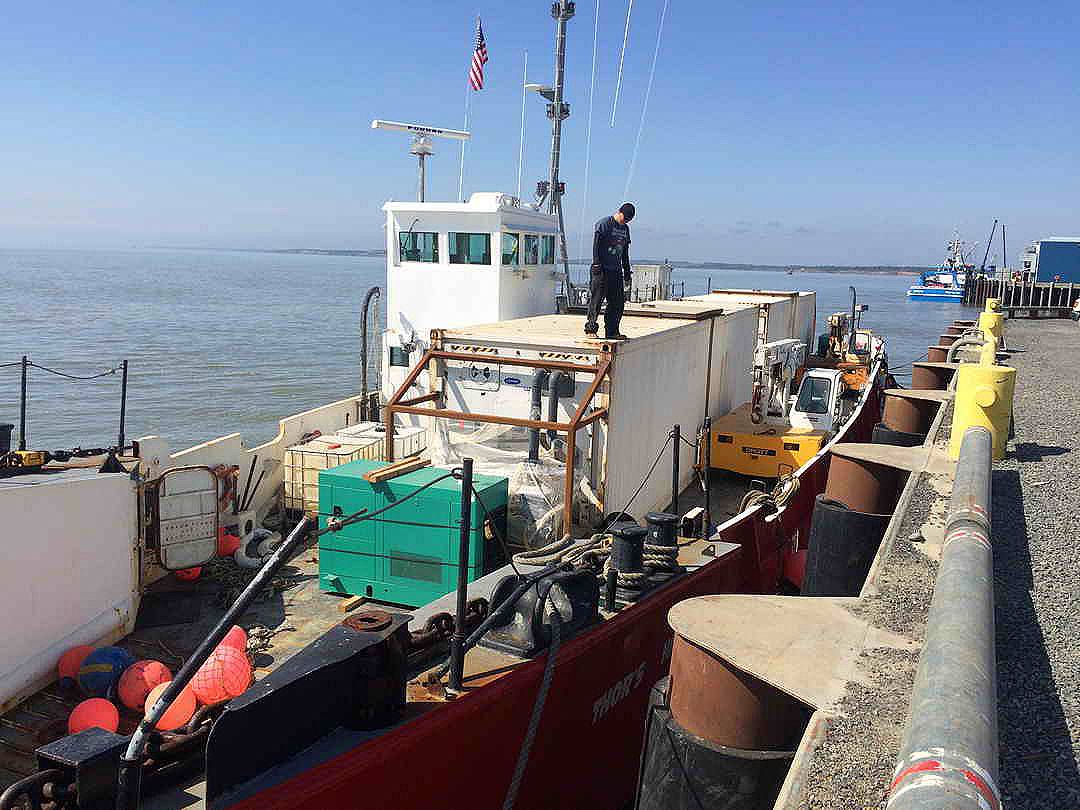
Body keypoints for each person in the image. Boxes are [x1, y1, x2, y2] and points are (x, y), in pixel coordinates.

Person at [584, 202, 635, 339]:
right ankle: (591, 329)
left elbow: (625, 252)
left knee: (617, 302)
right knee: (596, 300)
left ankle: (612, 331)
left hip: (616, 270)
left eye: (629, 221)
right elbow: (596, 244)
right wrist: (596, 263)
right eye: (625, 219)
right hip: (602, 269)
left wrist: (627, 271)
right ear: (619, 213)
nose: (626, 222)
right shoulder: (605, 223)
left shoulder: (625, 229)